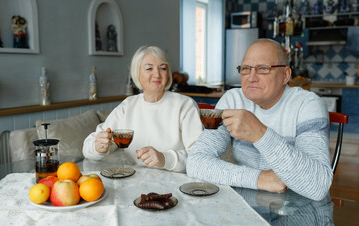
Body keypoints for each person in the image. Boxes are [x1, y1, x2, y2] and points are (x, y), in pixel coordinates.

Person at [187, 38, 333, 201]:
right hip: (249, 198)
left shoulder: (308, 105)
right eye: (245, 69)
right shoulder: (233, 100)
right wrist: (260, 178)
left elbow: (318, 186)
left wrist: (260, 134)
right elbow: (196, 163)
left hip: (299, 203)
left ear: (285, 75)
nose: (251, 77)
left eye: (263, 68)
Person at [83, 45, 203, 172]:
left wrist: (164, 159)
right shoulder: (127, 106)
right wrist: (97, 147)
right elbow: (87, 148)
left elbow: (201, 157)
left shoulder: (185, 105)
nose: (157, 74)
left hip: (177, 182)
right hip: (136, 180)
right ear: (137, 73)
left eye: (163, 68)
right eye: (149, 68)